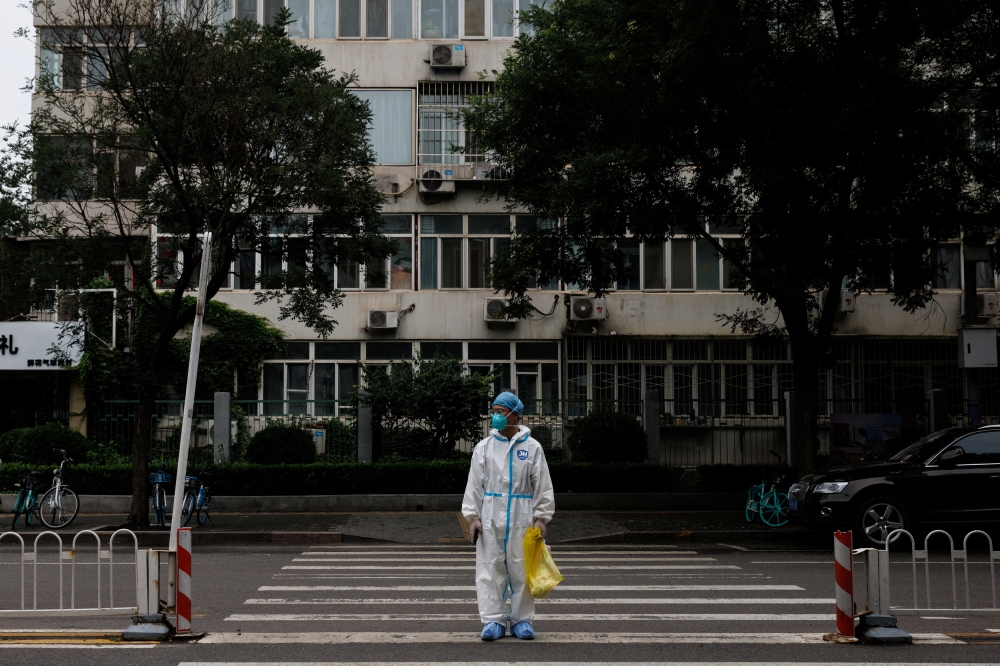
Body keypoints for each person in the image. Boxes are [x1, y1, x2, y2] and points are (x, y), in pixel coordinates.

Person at [462, 391, 555, 641]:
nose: (495, 416)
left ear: (515, 414)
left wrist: (541, 518)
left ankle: (521, 619)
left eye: (500, 412)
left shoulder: (532, 447)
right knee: (490, 568)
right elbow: (474, 485)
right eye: (493, 411)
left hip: (522, 516)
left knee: (521, 568)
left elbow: (542, 485)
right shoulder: (484, 448)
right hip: (490, 515)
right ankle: (493, 620)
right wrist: (473, 518)